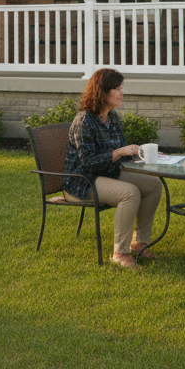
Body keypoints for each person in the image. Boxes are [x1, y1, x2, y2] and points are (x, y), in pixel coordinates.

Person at [61, 68, 163, 269]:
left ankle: (139, 243)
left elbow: (121, 151)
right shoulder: (84, 121)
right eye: (117, 89)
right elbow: (87, 163)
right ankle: (120, 253)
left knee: (153, 185)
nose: (122, 93)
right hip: (82, 181)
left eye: (121, 88)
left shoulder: (113, 117)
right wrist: (118, 153)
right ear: (102, 92)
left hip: (108, 173)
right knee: (130, 193)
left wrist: (139, 151)